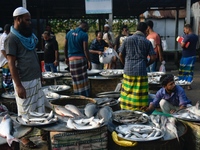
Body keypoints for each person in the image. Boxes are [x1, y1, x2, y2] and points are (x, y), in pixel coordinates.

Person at [5, 7, 52, 148]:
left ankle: (42, 131)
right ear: (18, 19)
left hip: (35, 79)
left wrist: (40, 75)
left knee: (40, 108)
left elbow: (34, 56)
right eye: (27, 20)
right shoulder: (11, 39)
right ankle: (23, 137)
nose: (30, 22)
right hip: (23, 82)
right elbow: (11, 64)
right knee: (25, 112)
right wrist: (18, 86)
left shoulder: (28, 37)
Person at [119, 22, 156, 111]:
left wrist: (125, 64)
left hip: (128, 69)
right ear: (146, 30)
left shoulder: (127, 40)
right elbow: (153, 57)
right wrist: (146, 64)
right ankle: (140, 109)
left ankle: (126, 108)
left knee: (128, 91)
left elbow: (120, 54)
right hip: (141, 70)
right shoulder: (147, 42)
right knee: (139, 92)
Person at [64, 21, 91, 97]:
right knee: (83, 79)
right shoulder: (84, 35)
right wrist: (89, 61)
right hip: (81, 59)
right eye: (87, 29)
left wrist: (66, 58)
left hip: (71, 60)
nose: (87, 30)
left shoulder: (69, 33)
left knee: (75, 80)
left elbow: (65, 46)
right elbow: (85, 49)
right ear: (85, 27)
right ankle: (85, 96)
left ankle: (77, 96)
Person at [178, 24, 198, 90]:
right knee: (190, 71)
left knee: (183, 70)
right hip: (193, 55)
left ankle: (182, 84)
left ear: (188, 29)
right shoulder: (196, 36)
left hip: (186, 56)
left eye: (185, 30)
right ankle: (189, 85)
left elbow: (182, 45)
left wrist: (180, 41)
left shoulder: (187, 37)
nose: (184, 31)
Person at [0, 24, 14, 93]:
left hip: (3, 60)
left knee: (6, 76)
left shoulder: (1, 36)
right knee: (7, 77)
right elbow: (2, 50)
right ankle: (7, 91)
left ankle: (7, 90)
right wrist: (8, 58)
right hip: (5, 61)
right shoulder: (5, 37)